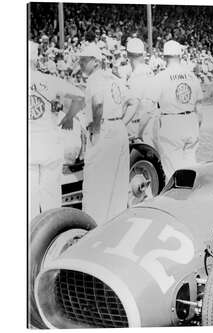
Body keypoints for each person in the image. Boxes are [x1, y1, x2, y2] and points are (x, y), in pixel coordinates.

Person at [29, 41, 85, 220]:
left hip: (29, 147)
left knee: (28, 198)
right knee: (51, 198)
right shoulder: (50, 81)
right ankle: (51, 235)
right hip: (50, 146)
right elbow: (80, 96)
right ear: (36, 59)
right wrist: (68, 117)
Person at [79, 43, 130, 224]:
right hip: (118, 127)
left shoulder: (95, 79)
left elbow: (98, 103)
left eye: (83, 61)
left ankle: (94, 227)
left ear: (94, 61)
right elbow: (130, 101)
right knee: (117, 184)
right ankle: (115, 226)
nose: (80, 64)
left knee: (96, 185)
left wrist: (96, 128)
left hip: (104, 129)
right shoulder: (113, 77)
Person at [145, 40, 203, 179]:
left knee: (173, 172)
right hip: (191, 120)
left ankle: (178, 199)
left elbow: (148, 106)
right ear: (180, 55)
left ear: (165, 57)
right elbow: (199, 106)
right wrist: (196, 125)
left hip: (171, 121)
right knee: (191, 167)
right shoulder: (191, 76)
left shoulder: (161, 76)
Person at [124, 37, 156, 147]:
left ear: (128, 55)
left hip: (142, 128)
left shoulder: (136, 76)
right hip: (152, 124)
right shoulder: (149, 71)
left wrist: (121, 125)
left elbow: (135, 105)